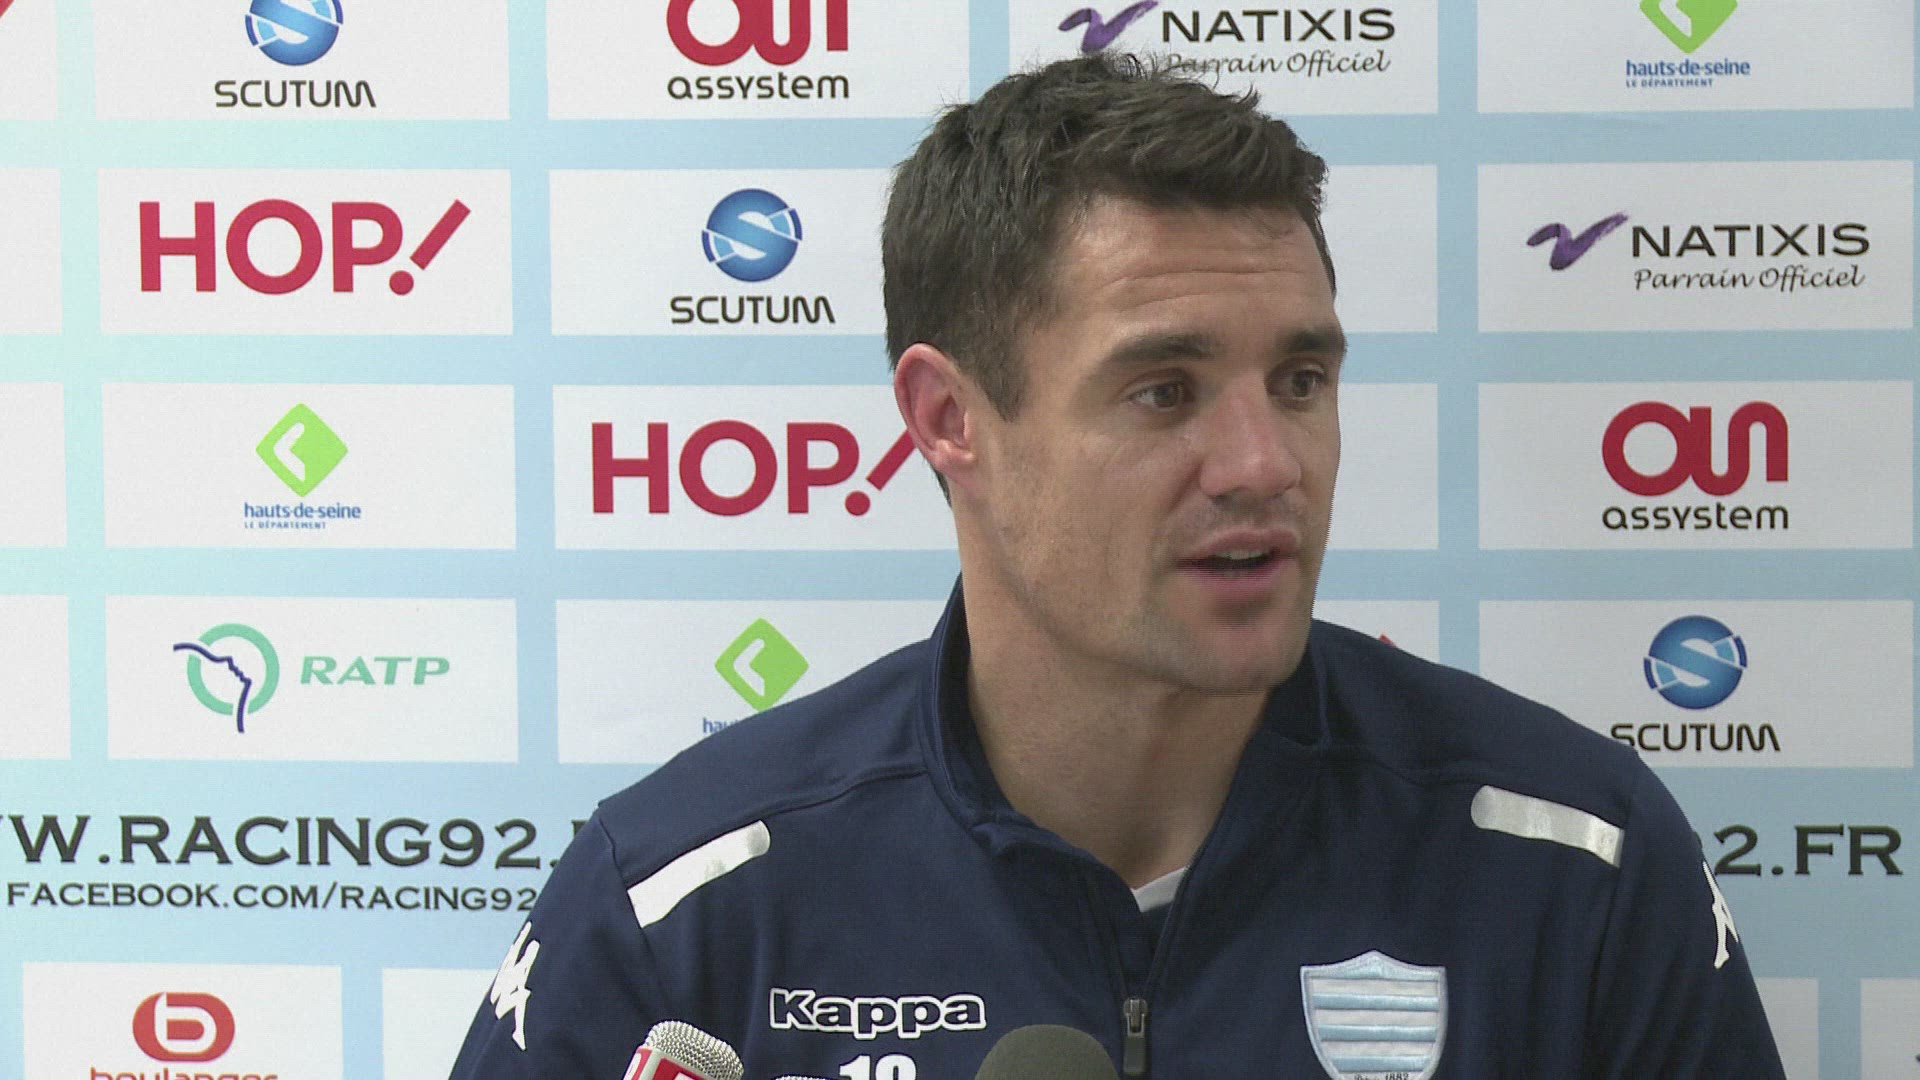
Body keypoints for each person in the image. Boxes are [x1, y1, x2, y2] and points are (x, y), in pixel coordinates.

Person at [451, 54, 1786, 1079]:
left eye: (1301, 379)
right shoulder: (686, 907)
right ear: (948, 419)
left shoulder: (1576, 864)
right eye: (1164, 391)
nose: (1264, 462)